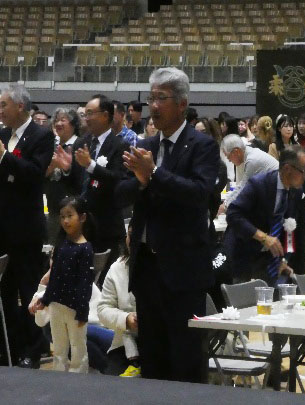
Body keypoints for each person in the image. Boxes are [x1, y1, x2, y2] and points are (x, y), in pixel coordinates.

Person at [116, 67, 219, 383]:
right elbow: (121, 193)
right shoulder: (145, 145)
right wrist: (141, 180)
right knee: (153, 361)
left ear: (182, 104)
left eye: (161, 98)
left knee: (186, 362)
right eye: (151, 98)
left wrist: (154, 175)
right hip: (147, 270)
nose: (153, 106)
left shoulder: (202, 145)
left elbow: (199, 194)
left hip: (184, 272)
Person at [0, 83, 55, 368]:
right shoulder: (0, 134)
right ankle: (6, 348)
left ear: (20, 106)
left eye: (3, 105)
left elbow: (34, 174)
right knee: (3, 292)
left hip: (25, 227)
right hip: (0, 224)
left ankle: (32, 350)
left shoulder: (41, 135)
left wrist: (4, 157)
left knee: (28, 291)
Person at [224, 146, 305, 285]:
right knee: (245, 296)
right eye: (302, 171)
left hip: (269, 259)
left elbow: (292, 230)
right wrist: (263, 238)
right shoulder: (259, 184)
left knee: (271, 295)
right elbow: (233, 214)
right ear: (287, 168)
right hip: (244, 252)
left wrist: (285, 259)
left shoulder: (296, 192)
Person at [31, 196, 94, 373]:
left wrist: (82, 311)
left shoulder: (86, 248)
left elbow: (85, 283)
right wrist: (45, 300)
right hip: (56, 305)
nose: (66, 221)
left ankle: (78, 382)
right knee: (58, 349)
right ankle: (59, 380)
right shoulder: (60, 245)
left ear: (82, 217)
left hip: (75, 308)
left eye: (70, 216)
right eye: (62, 216)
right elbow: (55, 277)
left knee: (78, 349)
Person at [66, 95, 127, 265]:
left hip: (106, 225)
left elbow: (118, 181)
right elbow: (75, 184)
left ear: (105, 115)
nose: (86, 118)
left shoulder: (120, 145)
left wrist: (91, 166)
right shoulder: (81, 142)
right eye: (84, 114)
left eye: (90, 113)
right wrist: (65, 170)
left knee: (104, 275)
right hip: (81, 225)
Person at [98, 230, 141, 377]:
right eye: (130, 235)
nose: (132, 240)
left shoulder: (166, 267)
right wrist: (126, 319)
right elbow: (103, 309)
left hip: (159, 345)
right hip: (125, 344)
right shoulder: (117, 268)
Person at [44, 107, 82, 244]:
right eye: (56, 120)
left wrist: (66, 167)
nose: (58, 123)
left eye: (63, 120)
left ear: (73, 124)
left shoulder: (79, 144)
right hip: (54, 209)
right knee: (53, 247)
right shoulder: (51, 145)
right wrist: (51, 167)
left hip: (74, 210)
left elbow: (81, 178)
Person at [220, 134, 279, 210]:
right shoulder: (248, 153)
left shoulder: (252, 160)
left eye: (228, 157)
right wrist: (226, 202)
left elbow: (243, 188)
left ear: (236, 151)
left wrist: (225, 205)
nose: (229, 160)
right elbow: (241, 184)